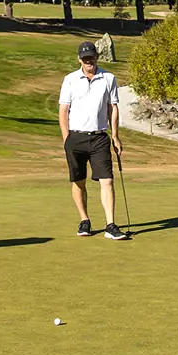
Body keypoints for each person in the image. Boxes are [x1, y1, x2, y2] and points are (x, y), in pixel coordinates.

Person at [59, 40, 129, 240]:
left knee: (107, 180)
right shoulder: (70, 80)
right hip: (76, 137)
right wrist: (67, 139)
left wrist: (115, 136)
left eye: (91, 57)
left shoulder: (108, 78)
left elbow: (113, 108)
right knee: (79, 181)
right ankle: (85, 220)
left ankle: (110, 225)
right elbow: (63, 110)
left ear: (97, 57)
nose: (88, 61)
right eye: (85, 58)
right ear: (79, 59)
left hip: (99, 137)